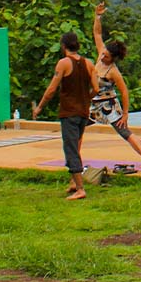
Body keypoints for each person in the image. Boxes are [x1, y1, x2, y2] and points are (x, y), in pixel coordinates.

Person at [33, 31, 98, 200]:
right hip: (83, 112)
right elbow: (96, 89)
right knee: (75, 146)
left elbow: (52, 89)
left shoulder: (63, 63)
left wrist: (40, 107)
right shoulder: (88, 63)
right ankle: (73, 183)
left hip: (69, 112)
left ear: (63, 46)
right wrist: (86, 99)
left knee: (70, 149)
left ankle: (80, 189)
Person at [88, 3, 141, 168]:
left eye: (107, 56)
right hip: (93, 104)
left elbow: (124, 92)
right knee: (77, 126)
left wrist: (125, 114)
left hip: (109, 105)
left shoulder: (113, 72)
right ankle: (73, 159)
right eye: (103, 54)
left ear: (114, 58)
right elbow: (97, 33)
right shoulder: (100, 55)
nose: (103, 56)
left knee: (124, 132)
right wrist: (98, 16)